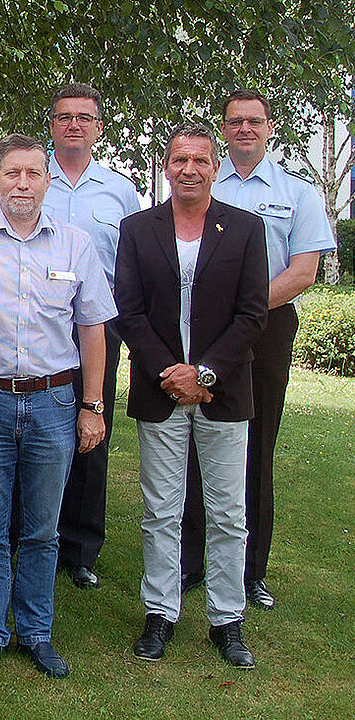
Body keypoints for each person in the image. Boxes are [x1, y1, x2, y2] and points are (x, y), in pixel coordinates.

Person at [0, 134, 115, 679]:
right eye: (12, 173)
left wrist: (92, 404)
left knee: (42, 529)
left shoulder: (75, 245)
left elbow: (92, 329)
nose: (22, 184)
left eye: (32, 174)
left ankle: (36, 631)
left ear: (46, 181)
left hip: (54, 404)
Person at [115, 123, 268, 668]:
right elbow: (128, 311)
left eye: (200, 160)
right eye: (179, 160)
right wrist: (170, 373)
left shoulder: (246, 230)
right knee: (161, 510)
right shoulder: (137, 229)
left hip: (222, 394)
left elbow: (253, 315)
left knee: (228, 512)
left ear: (215, 164)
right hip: (161, 392)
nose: (189, 170)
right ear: (166, 165)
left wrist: (202, 374)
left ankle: (227, 621)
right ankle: (160, 612)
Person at [181, 90, 336, 609]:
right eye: (234, 121)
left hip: (266, 330)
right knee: (194, 442)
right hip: (201, 330)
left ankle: (250, 571)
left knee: (255, 444)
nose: (244, 128)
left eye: (254, 121)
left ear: (270, 127)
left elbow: (303, 271)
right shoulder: (199, 181)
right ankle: (191, 562)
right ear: (222, 128)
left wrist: (243, 308)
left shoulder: (298, 192)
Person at [42, 83, 142, 590]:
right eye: (64, 117)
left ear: (98, 128)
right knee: (37, 428)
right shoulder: (33, 180)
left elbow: (132, 263)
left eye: (84, 117)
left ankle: (80, 548)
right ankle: (35, 535)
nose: (74, 125)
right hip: (38, 327)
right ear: (52, 125)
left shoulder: (120, 191)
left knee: (91, 425)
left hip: (98, 328)